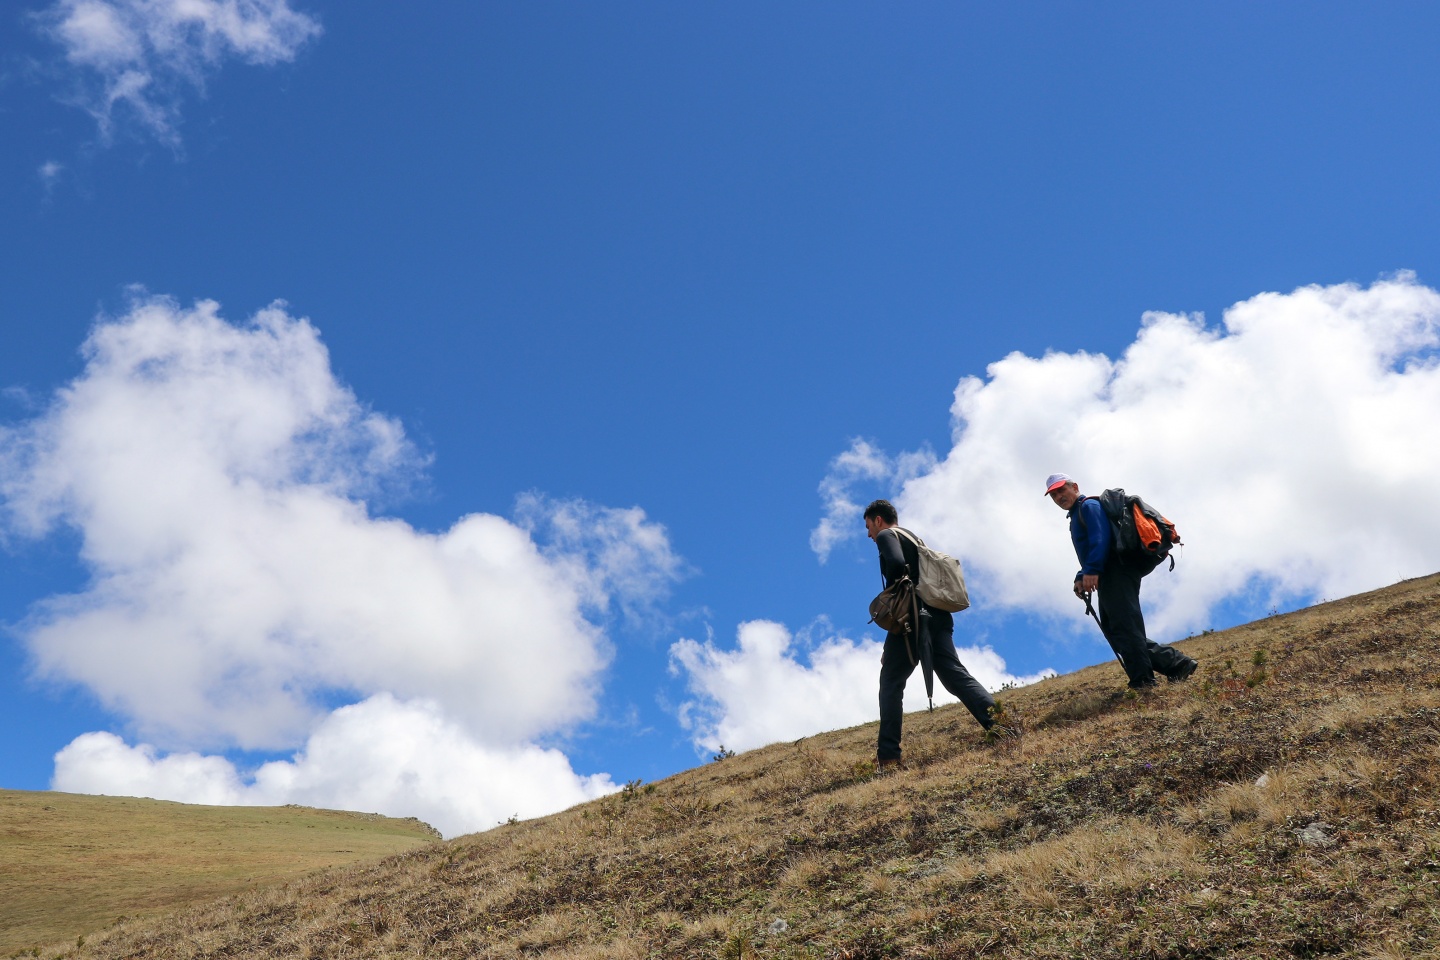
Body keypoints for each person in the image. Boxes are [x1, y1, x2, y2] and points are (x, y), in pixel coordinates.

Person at [864, 499, 1007, 771]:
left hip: (913, 618)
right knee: (954, 674)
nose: (869, 534)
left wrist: (891, 593)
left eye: (868, 526)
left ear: (878, 520)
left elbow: (895, 564)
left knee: (891, 683)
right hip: (938, 615)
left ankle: (889, 756)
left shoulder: (886, 536)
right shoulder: (914, 539)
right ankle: (1001, 724)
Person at [1044, 474, 1198, 689]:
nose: (1059, 496)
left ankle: (1143, 681)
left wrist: (1092, 570)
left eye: (1062, 490)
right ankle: (1175, 664)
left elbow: (1100, 538)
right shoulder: (1078, 512)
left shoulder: (1088, 506)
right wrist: (1082, 575)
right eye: (1054, 494)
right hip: (1111, 572)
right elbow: (1093, 547)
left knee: (1125, 628)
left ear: (1075, 487)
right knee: (1116, 630)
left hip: (1116, 569)